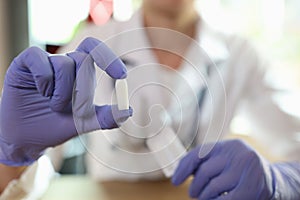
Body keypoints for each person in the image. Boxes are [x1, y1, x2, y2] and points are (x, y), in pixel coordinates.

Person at [1, 0, 300, 199]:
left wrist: (283, 182)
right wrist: (12, 156)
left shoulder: (241, 54)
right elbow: (29, 179)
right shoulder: (90, 43)